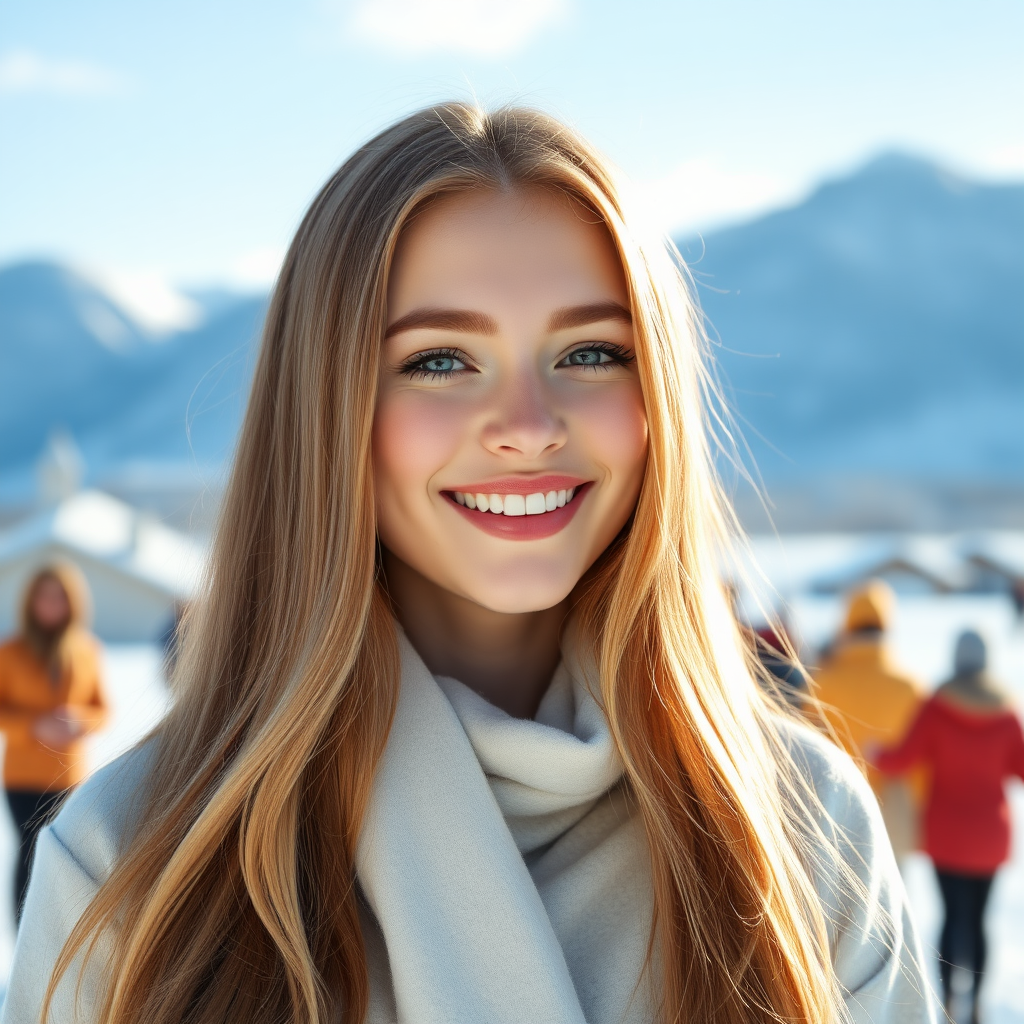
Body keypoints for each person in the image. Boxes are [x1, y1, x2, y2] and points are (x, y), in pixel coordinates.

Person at [4, 105, 934, 1024]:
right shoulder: (134, 867)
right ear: (327, 411)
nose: (528, 427)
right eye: (442, 360)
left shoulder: (805, 831)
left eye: (591, 352)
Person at [873, 630, 1024, 1024]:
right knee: (979, 919)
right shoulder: (1006, 712)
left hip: (947, 834)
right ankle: (976, 1005)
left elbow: (902, 759)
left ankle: (948, 1004)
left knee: (952, 916)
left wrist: (874, 752)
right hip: (991, 837)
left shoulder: (937, 708)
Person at [0, 563, 109, 922]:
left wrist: (81, 721)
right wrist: (35, 726)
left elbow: (103, 710)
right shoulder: (11, 652)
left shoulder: (86, 650)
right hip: (23, 777)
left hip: (69, 776)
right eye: (44, 595)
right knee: (31, 852)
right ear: (31, 601)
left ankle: (59, 939)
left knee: (67, 862)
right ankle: (24, 945)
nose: (51, 603)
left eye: (59, 595)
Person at [812, 579, 926, 862]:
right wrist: (919, 807)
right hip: (894, 809)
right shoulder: (910, 687)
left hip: (837, 808)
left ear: (847, 623)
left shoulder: (823, 682)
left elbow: (808, 747)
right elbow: (923, 758)